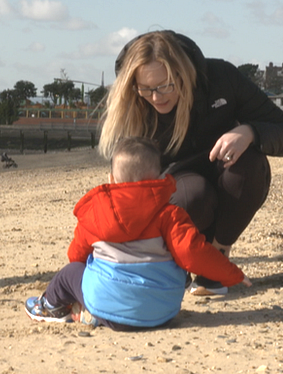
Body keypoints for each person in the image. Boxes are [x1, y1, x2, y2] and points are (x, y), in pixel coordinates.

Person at [99, 30, 283, 296]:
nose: (156, 97)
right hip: (182, 189)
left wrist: (249, 132)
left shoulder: (221, 78)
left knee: (250, 162)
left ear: (183, 73)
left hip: (229, 175)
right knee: (193, 195)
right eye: (146, 89)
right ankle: (175, 261)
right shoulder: (135, 104)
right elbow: (131, 183)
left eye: (165, 85)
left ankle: (216, 258)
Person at [24, 136, 252, 329]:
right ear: (161, 178)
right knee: (176, 258)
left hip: (108, 308)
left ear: (111, 179)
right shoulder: (169, 214)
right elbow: (193, 253)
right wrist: (232, 274)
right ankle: (99, 311)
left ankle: (49, 307)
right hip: (163, 314)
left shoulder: (96, 213)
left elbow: (76, 256)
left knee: (72, 271)